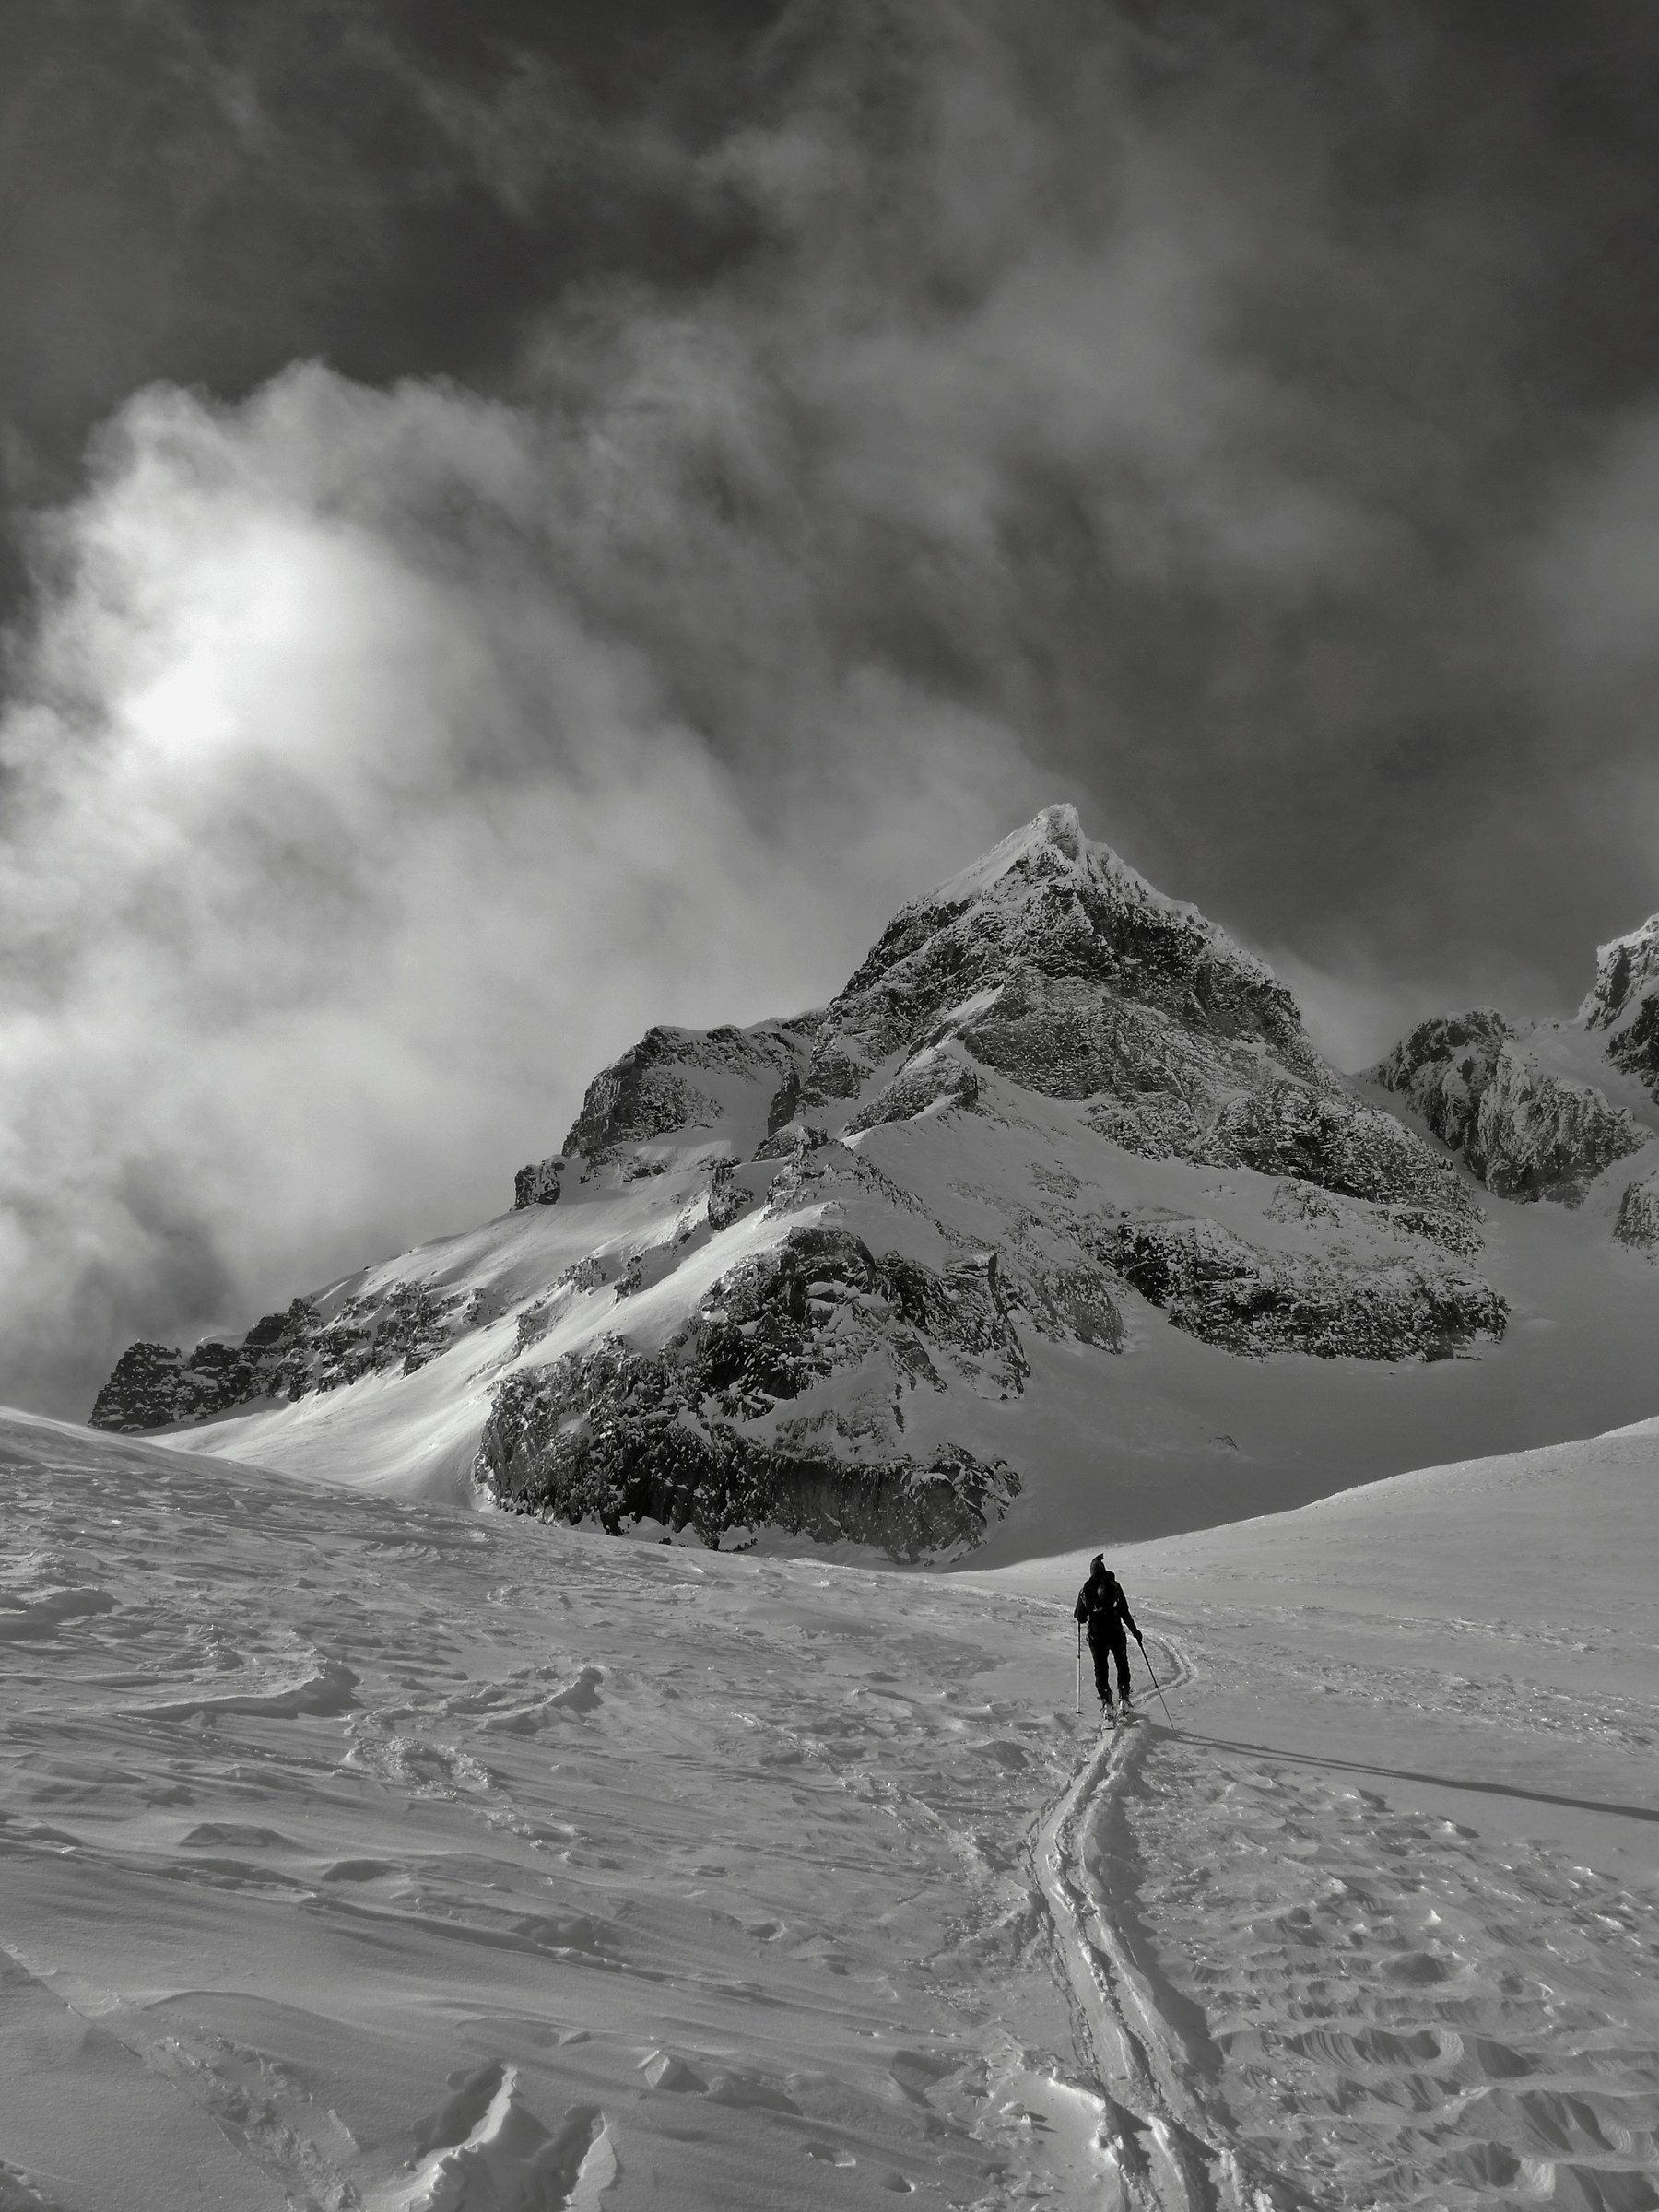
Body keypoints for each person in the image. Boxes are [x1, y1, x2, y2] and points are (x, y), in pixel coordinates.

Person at [1074, 1554, 1140, 1713]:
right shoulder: (1114, 1585)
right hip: (1116, 1632)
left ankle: (1107, 1705)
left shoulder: (1086, 1588)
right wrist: (1135, 1631)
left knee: (1101, 1668)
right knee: (1122, 1663)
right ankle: (1124, 1698)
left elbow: (1081, 1617)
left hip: (1096, 1636)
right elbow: (1124, 1611)